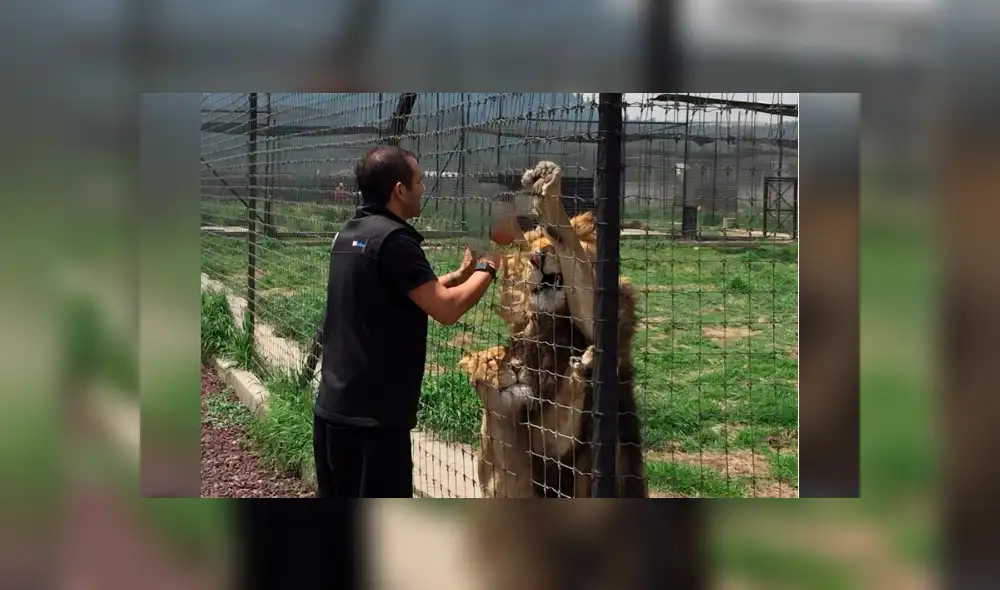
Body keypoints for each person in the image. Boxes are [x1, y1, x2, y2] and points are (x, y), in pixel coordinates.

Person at [313, 145, 503, 498]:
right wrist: (489, 265)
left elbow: (395, 293)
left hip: (332, 412)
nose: (424, 188)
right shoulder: (396, 241)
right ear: (400, 190)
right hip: (374, 423)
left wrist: (457, 276)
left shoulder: (350, 233)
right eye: (419, 180)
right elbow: (447, 310)